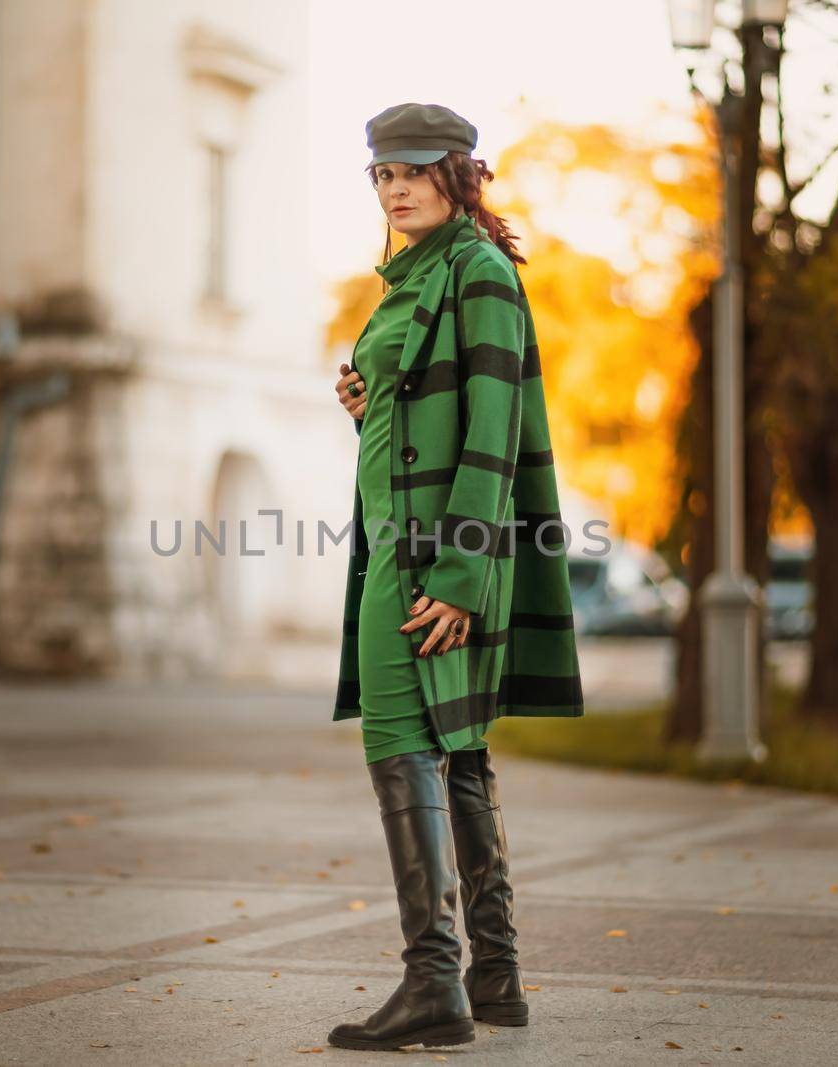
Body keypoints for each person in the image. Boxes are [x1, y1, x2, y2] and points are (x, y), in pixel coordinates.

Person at [326, 101, 583, 1052]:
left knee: (402, 741)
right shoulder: (418, 276)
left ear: (459, 174)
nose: (396, 189)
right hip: (408, 539)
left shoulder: (474, 271)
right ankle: (496, 973)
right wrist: (369, 405)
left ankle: (434, 981)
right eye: (383, 175)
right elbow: (430, 413)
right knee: (457, 750)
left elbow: (495, 432)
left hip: (432, 558)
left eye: (414, 171)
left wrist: (465, 573)